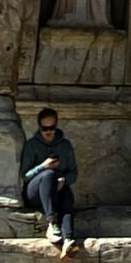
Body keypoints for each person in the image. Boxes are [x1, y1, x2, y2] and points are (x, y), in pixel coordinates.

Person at [19, 108, 83, 253]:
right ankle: (52, 221)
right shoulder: (32, 145)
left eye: (51, 128)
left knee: (66, 193)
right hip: (34, 192)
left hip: (57, 189)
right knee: (48, 174)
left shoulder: (65, 145)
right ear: (39, 127)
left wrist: (64, 180)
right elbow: (25, 175)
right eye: (44, 128)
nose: (48, 131)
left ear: (56, 126)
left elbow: (74, 172)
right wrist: (43, 166)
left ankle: (68, 239)